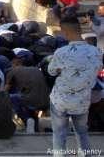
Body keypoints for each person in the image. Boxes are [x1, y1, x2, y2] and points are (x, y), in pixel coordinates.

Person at [48, 16, 102, 156]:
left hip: (60, 101)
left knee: (59, 135)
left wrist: (63, 69)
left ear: (65, 32)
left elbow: (51, 71)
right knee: (82, 133)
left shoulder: (61, 52)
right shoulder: (96, 52)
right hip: (82, 100)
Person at [5, 55, 50, 133]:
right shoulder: (36, 69)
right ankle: (34, 126)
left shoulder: (12, 71)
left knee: (9, 98)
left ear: (14, 64)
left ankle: (25, 119)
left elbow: (5, 90)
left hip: (31, 101)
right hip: (46, 101)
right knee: (24, 97)